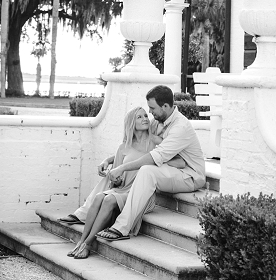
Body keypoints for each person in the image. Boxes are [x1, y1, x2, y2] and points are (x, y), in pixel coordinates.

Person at [95, 84, 206, 242]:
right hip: (170, 169)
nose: (150, 112)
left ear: (166, 106)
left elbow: (154, 157)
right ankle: (91, 212)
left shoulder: (180, 127)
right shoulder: (157, 122)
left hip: (190, 175)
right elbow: (138, 149)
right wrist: (109, 160)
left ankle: (122, 227)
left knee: (147, 171)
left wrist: (121, 167)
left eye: (152, 108)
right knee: (143, 171)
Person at [64, 107, 161, 259]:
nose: (145, 119)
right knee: (99, 197)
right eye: (139, 117)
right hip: (123, 189)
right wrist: (115, 179)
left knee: (109, 199)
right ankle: (81, 241)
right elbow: (116, 177)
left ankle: (88, 244)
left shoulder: (156, 142)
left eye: (145, 116)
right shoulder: (123, 147)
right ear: (131, 123)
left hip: (140, 192)